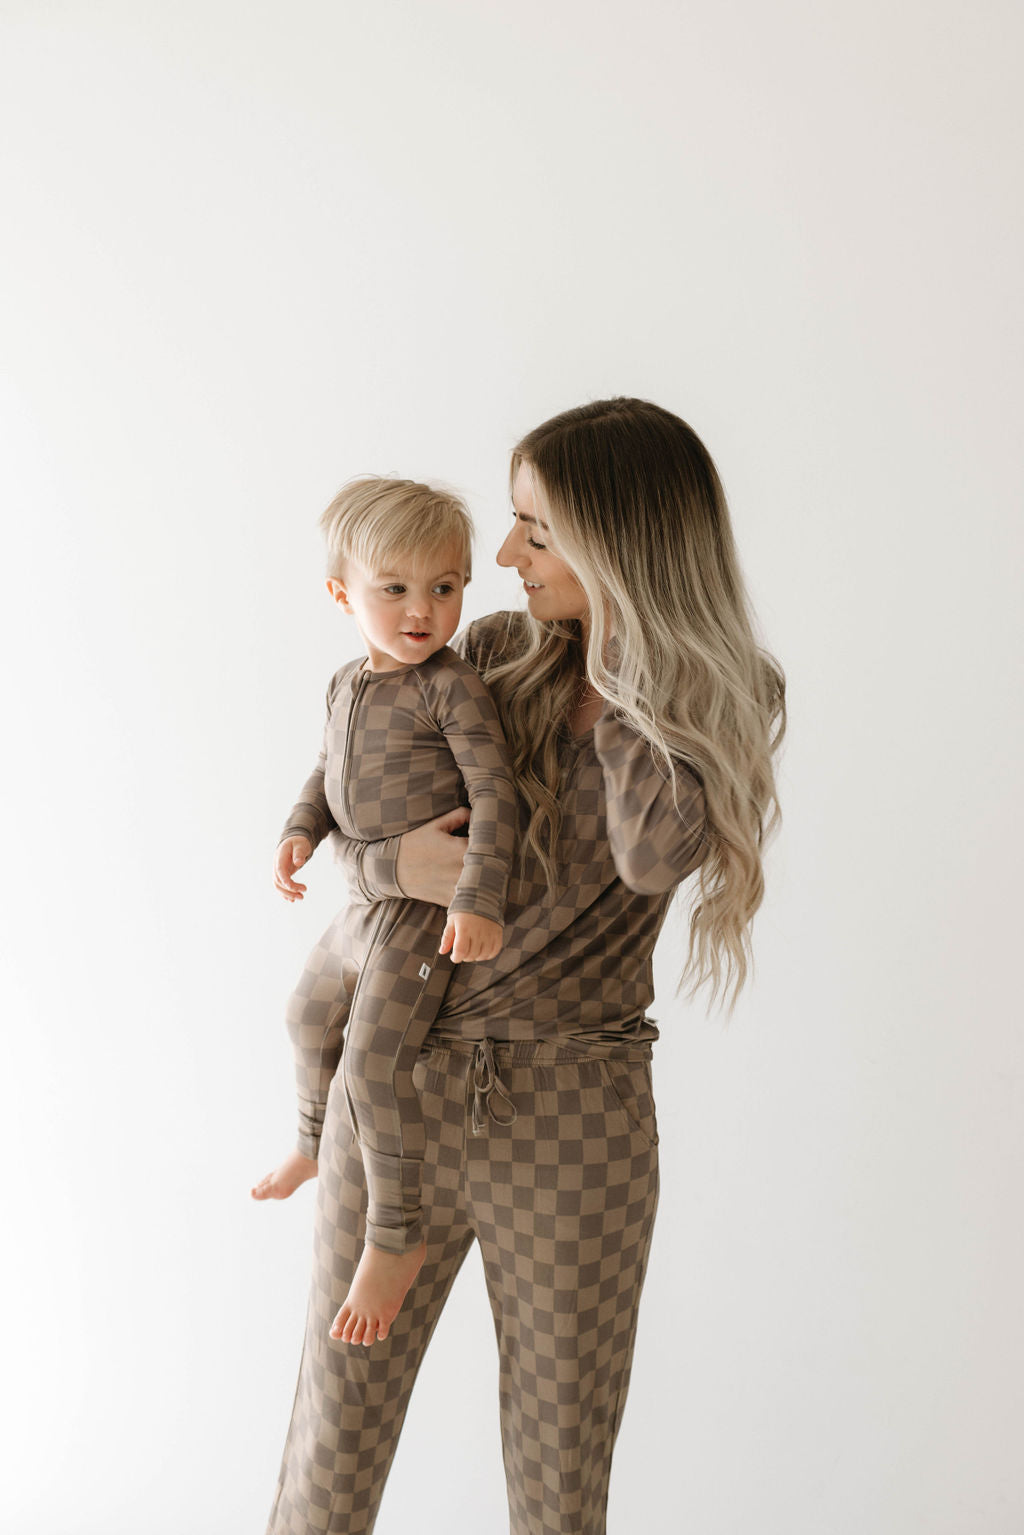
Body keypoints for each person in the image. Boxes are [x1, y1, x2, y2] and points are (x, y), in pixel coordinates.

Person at [264, 397, 787, 1535]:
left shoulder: (720, 696)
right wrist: (379, 861)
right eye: (511, 526)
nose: (500, 559)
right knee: (329, 1451)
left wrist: (619, 682)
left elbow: (653, 856)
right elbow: (361, 817)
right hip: (399, 1075)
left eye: (536, 533)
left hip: (577, 1113)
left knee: (559, 1476)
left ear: (619, 545)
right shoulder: (489, 652)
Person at [252, 475, 518, 1344]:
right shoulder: (346, 683)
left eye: (445, 588)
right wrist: (300, 828)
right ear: (342, 594)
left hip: (420, 917)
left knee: (374, 1064)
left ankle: (395, 1237)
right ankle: (309, 1138)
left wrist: (476, 899)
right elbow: (325, 773)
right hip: (365, 908)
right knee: (304, 1013)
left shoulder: (450, 685)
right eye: (394, 588)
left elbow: (496, 792)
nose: (422, 610)